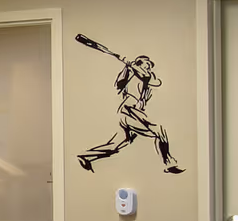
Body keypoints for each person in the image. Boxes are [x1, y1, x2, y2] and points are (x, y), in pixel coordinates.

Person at [75, 34, 182, 173]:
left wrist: (136, 67)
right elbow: (119, 84)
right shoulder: (129, 73)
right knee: (159, 129)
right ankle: (169, 163)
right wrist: (129, 67)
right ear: (138, 63)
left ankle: (85, 156)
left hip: (135, 113)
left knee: (118, 145)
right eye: (147, 64)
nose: (149, 67)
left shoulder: (147, 78)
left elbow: (155, 80)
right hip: (128, 111)